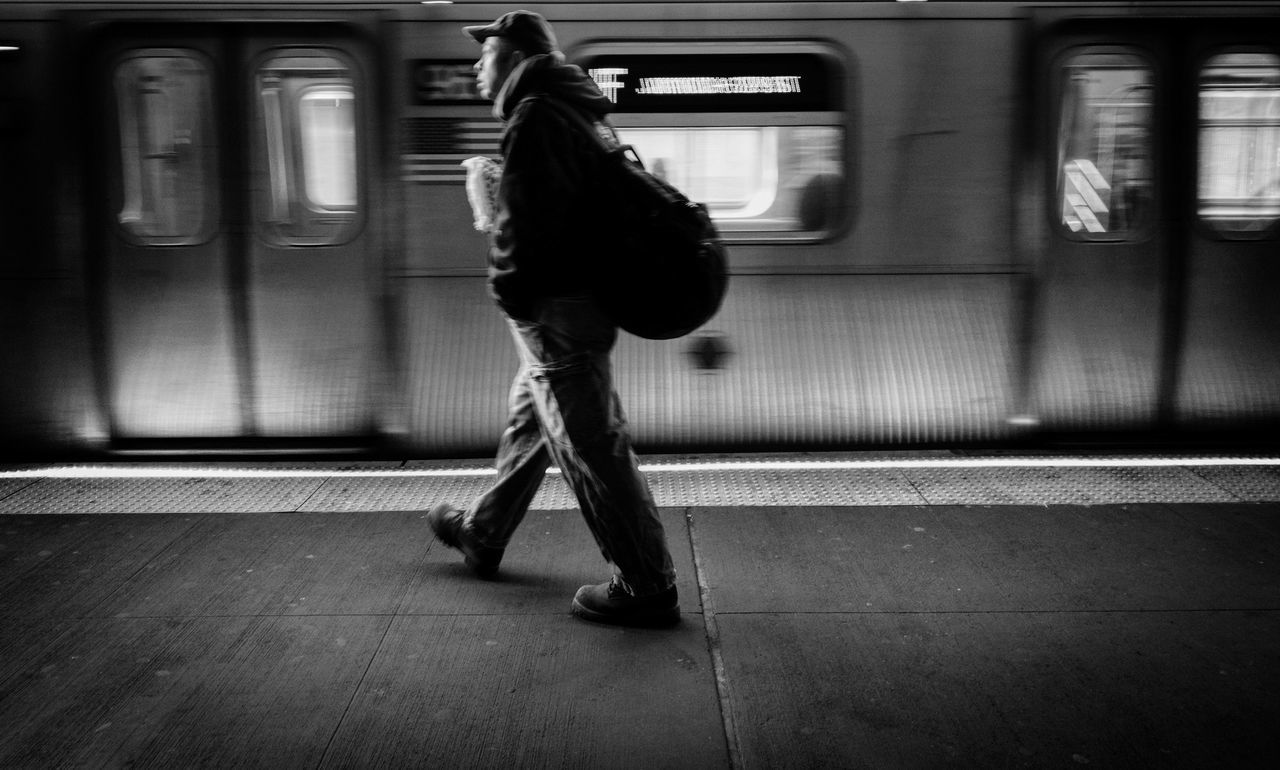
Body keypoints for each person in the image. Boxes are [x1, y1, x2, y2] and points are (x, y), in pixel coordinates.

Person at [427, 10, 679, 628]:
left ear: (513, 57)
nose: (476, 67)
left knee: (591, 447)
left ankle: (647, 583)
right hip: (575, 304)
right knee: (532, 419)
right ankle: (484, 536)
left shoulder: (534, 114)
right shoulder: (572, 110)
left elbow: (530, 233)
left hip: (558, 312)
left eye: (484, 56)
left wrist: (506, 288)